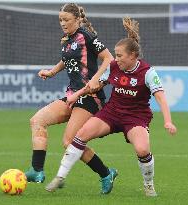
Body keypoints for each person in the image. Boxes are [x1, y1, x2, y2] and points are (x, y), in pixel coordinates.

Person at [45, 17, 177, 197]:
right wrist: (76, 94)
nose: (116, 59)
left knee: (142, 150)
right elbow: (95, 84)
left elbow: (161, 98)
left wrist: (168, 121)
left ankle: (148, 185)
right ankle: (60, 177)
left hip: (135, 117)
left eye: (120, 55)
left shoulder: (147, 72)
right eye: (115, 55)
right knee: (80, 135)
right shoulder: (114, 66)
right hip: (111, 113)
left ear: (133, 56)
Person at [25, 3, 117, 194]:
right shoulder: (67, 39)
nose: (63, 23)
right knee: (37, 120)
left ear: (77, 19)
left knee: (69, 142)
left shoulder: (87, 36)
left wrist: (94, 80)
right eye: (60, 20)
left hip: (90, 97)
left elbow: (109, 58)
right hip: (72, 95)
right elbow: (66, 59)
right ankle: (37, 170)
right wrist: (51, 72)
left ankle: (106, 173)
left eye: (66, 20)